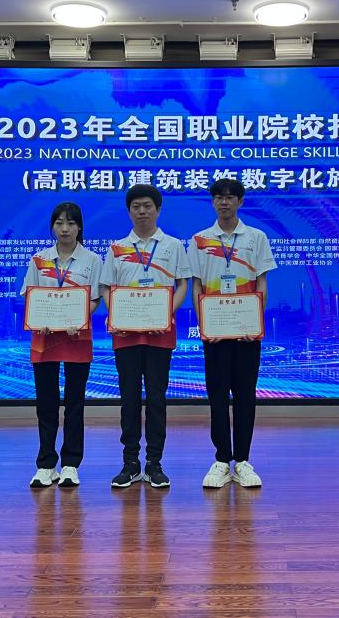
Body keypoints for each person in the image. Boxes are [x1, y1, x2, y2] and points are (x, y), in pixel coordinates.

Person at [100, 184, 190, 489]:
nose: (142, 211)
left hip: (159, 333)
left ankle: (154, 463)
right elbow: (106, 287)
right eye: (136, 206)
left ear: (158, 209)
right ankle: (130, 463)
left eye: (147, 206)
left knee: (155, 399)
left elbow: (182, 285)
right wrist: (117, 314)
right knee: (128, 399)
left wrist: (166, 313)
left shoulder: (173, 246)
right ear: (129, 211)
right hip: (126, 334)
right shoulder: (117, 248)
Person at [190, 178, 277, 489]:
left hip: (246, 332)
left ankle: (242, 460)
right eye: (218, 197)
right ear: (213, 202)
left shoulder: (256, 238)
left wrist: (254, 323)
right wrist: (205, 325)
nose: (224, 202)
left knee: (244, 395)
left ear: (240, 201)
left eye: (230, 197)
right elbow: (197, 286)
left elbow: (262, 283)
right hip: (215, 332)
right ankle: (220, 460)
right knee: (216, 395)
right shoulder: (200, 240)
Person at [20, 201, 102, 489]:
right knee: (46, 403)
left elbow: (95, 298)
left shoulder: (92, 260)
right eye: (59, 223)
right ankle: (45, 464)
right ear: (52, 227)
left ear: (80, 227)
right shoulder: (39, 259)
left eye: (70, 223)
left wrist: (80, 318)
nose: (65, 229)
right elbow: (30, 296)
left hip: (77, 336)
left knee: (75, 404)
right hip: (44, 338)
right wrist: (38, 318)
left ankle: (70, 464)